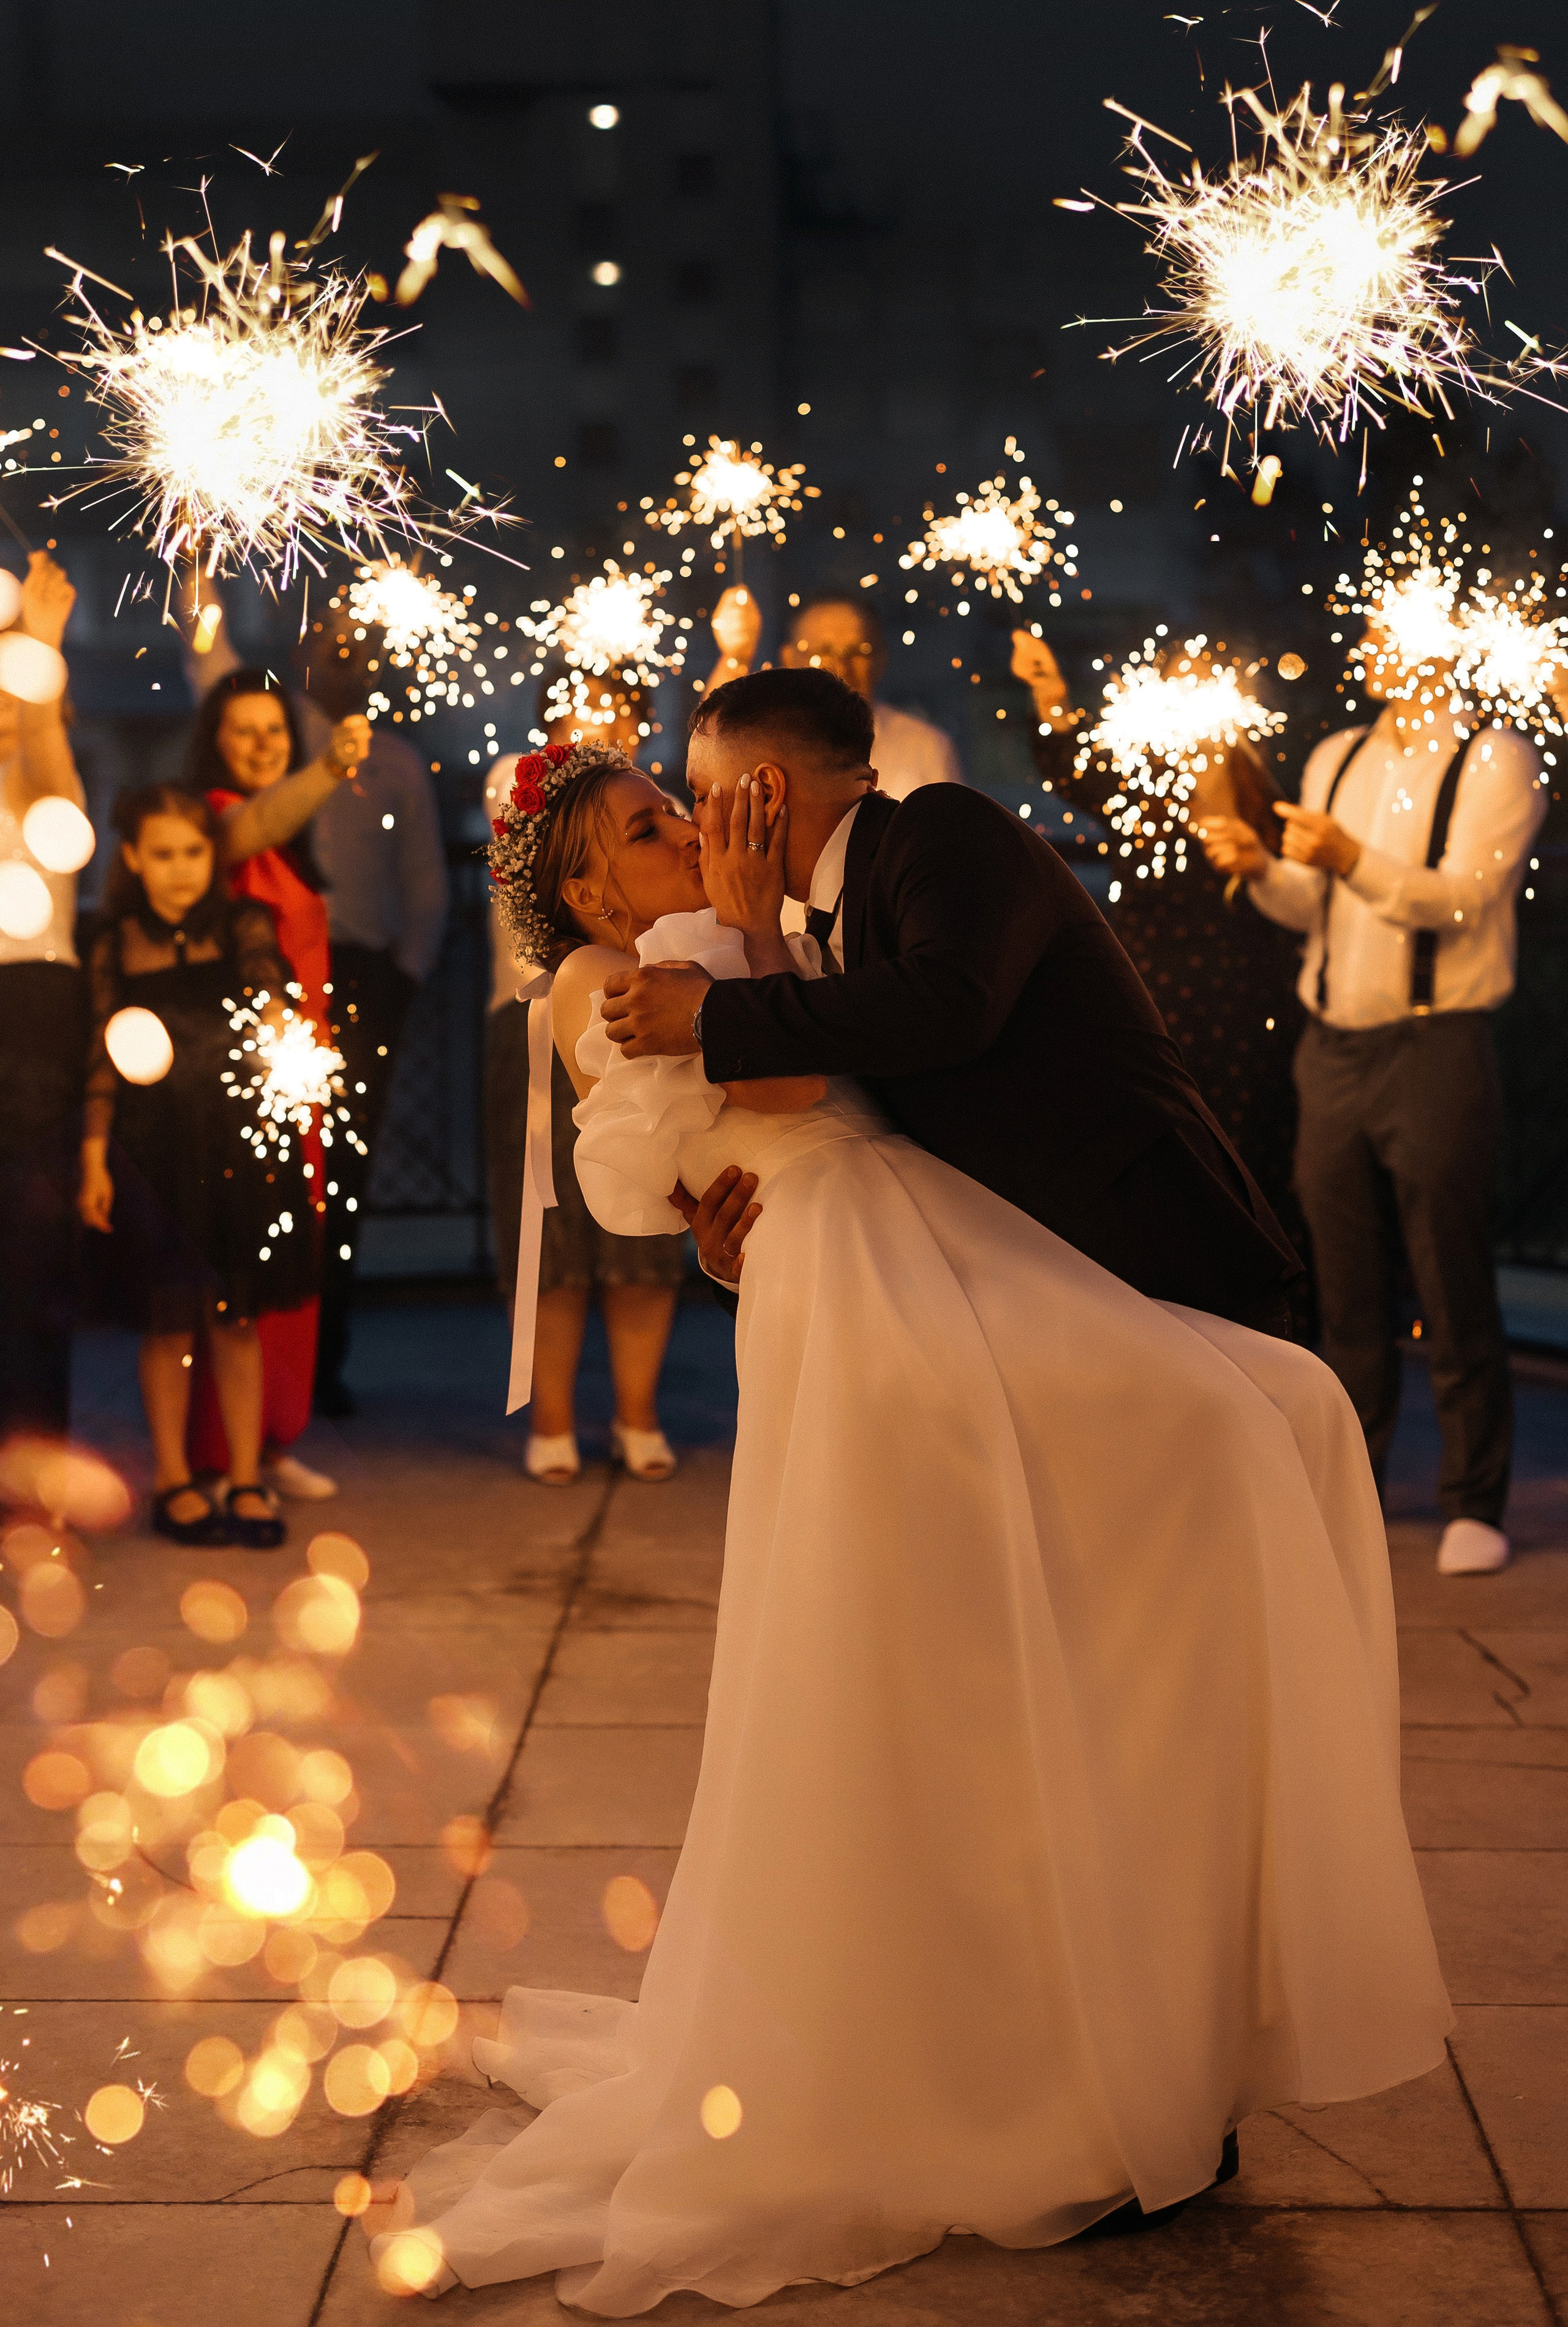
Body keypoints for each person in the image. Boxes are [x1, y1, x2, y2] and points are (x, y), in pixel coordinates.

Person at [371, 727, 1449, 2310]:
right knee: (1195, 1444)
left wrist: (750, 971)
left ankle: (1129, 1993)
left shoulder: (750, 933)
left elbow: (830, 1062)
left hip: (920, 1238)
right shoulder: (663, 957)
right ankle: (1032, 2056)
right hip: (872, 1279)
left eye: (687, 805)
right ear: (596, 881)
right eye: (653, 824)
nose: (693, 827)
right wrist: (738, 950)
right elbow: (766, 1090)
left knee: (1215, 1443)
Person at [604, 668, 1302, 1332]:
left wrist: (706, 1015)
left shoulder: (939, 825)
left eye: (699, 794)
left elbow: (944, 1005)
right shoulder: (802, 923)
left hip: (1149, 1246)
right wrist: (736, 1257)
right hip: (1029, 1289)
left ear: (765, 791)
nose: (695, 826)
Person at [1199, 608, 1545, 1577]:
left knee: (1450, 1266)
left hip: (1436, 1044)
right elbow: (1314, 906)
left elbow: (1464, 894)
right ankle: (1353, 1477)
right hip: (1332, 1048)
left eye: (1399, 626)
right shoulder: (1338, 755)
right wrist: (1266, 869)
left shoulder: (1496, 758)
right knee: (1342, 1277)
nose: (1375, 642)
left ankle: (1476, 1499)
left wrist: (1350, 858)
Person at [1011, 629, 1311, 1286]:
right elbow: (1072, 768)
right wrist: (1049, 694)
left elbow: (1298, 882)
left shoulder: (1257, 783)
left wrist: (1257, 863)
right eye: (1178, 678)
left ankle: (1263, 1303)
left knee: (1246, 1152)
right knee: (1168, 1146)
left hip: (1244, 1000)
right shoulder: (1138, 772)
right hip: (1155, 991)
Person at [79, 787, 314, 1547]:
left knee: (237, 1318)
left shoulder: (241, 924)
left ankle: (246, 1476)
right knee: (167, 1322)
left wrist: (281, 1021)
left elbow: (272, 989)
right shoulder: (116, 941)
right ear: (132, 858)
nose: (181, 870)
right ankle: (174, 1476)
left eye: (193, 851)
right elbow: (103, 1056)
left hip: (234, 1145)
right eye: (163, 854)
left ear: (212, 856)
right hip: (154, 1152)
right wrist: (93, 1155)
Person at [482, 681, 685, 1484]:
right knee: (550, 1225)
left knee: (646, 1223)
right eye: (581, 708)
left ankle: (639, 1413)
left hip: (649, 1007)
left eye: (619, 709)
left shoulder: (660, 807)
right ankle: (554, 1417)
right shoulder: (516, 780)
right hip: (534, 1024)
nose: (601, 723)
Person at [181, 669, 371, 1503]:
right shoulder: (213, 820)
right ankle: (222, 1452)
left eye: (274, 730)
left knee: (293, 1263)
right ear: (213, 743)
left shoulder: (292, 846)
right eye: (243, 729)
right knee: (240, 1269)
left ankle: (273, 1434)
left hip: (300, 1080)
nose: (261, 744)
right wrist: (328, 767)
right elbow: (258, 819)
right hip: (242, 1083)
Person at [292, 656, 449, 1418]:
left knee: (343, 1179)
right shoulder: (278, 743)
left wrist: (403, 976)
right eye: (329, 642)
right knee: (275, 1178)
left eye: (356, 646)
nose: (342, 659)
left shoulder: (396, 762)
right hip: (281, 978)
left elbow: (425, 880)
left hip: (361, 982)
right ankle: (271, 1360)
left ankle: (325, 1363)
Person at [0, 552, 86, 1446]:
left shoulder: (43, 790)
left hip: (33, 1013)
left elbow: (55, 787)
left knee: (30, 1256)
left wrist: (39, 647)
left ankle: (31, 1476)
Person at [707, 584, 963, 798]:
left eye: (857, 653)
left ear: (881, 659)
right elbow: (714, 746)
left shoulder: (926, 748)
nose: (841, 668)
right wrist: (735, 658)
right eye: (824, 652)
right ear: (788, 658)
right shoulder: (766, 745)